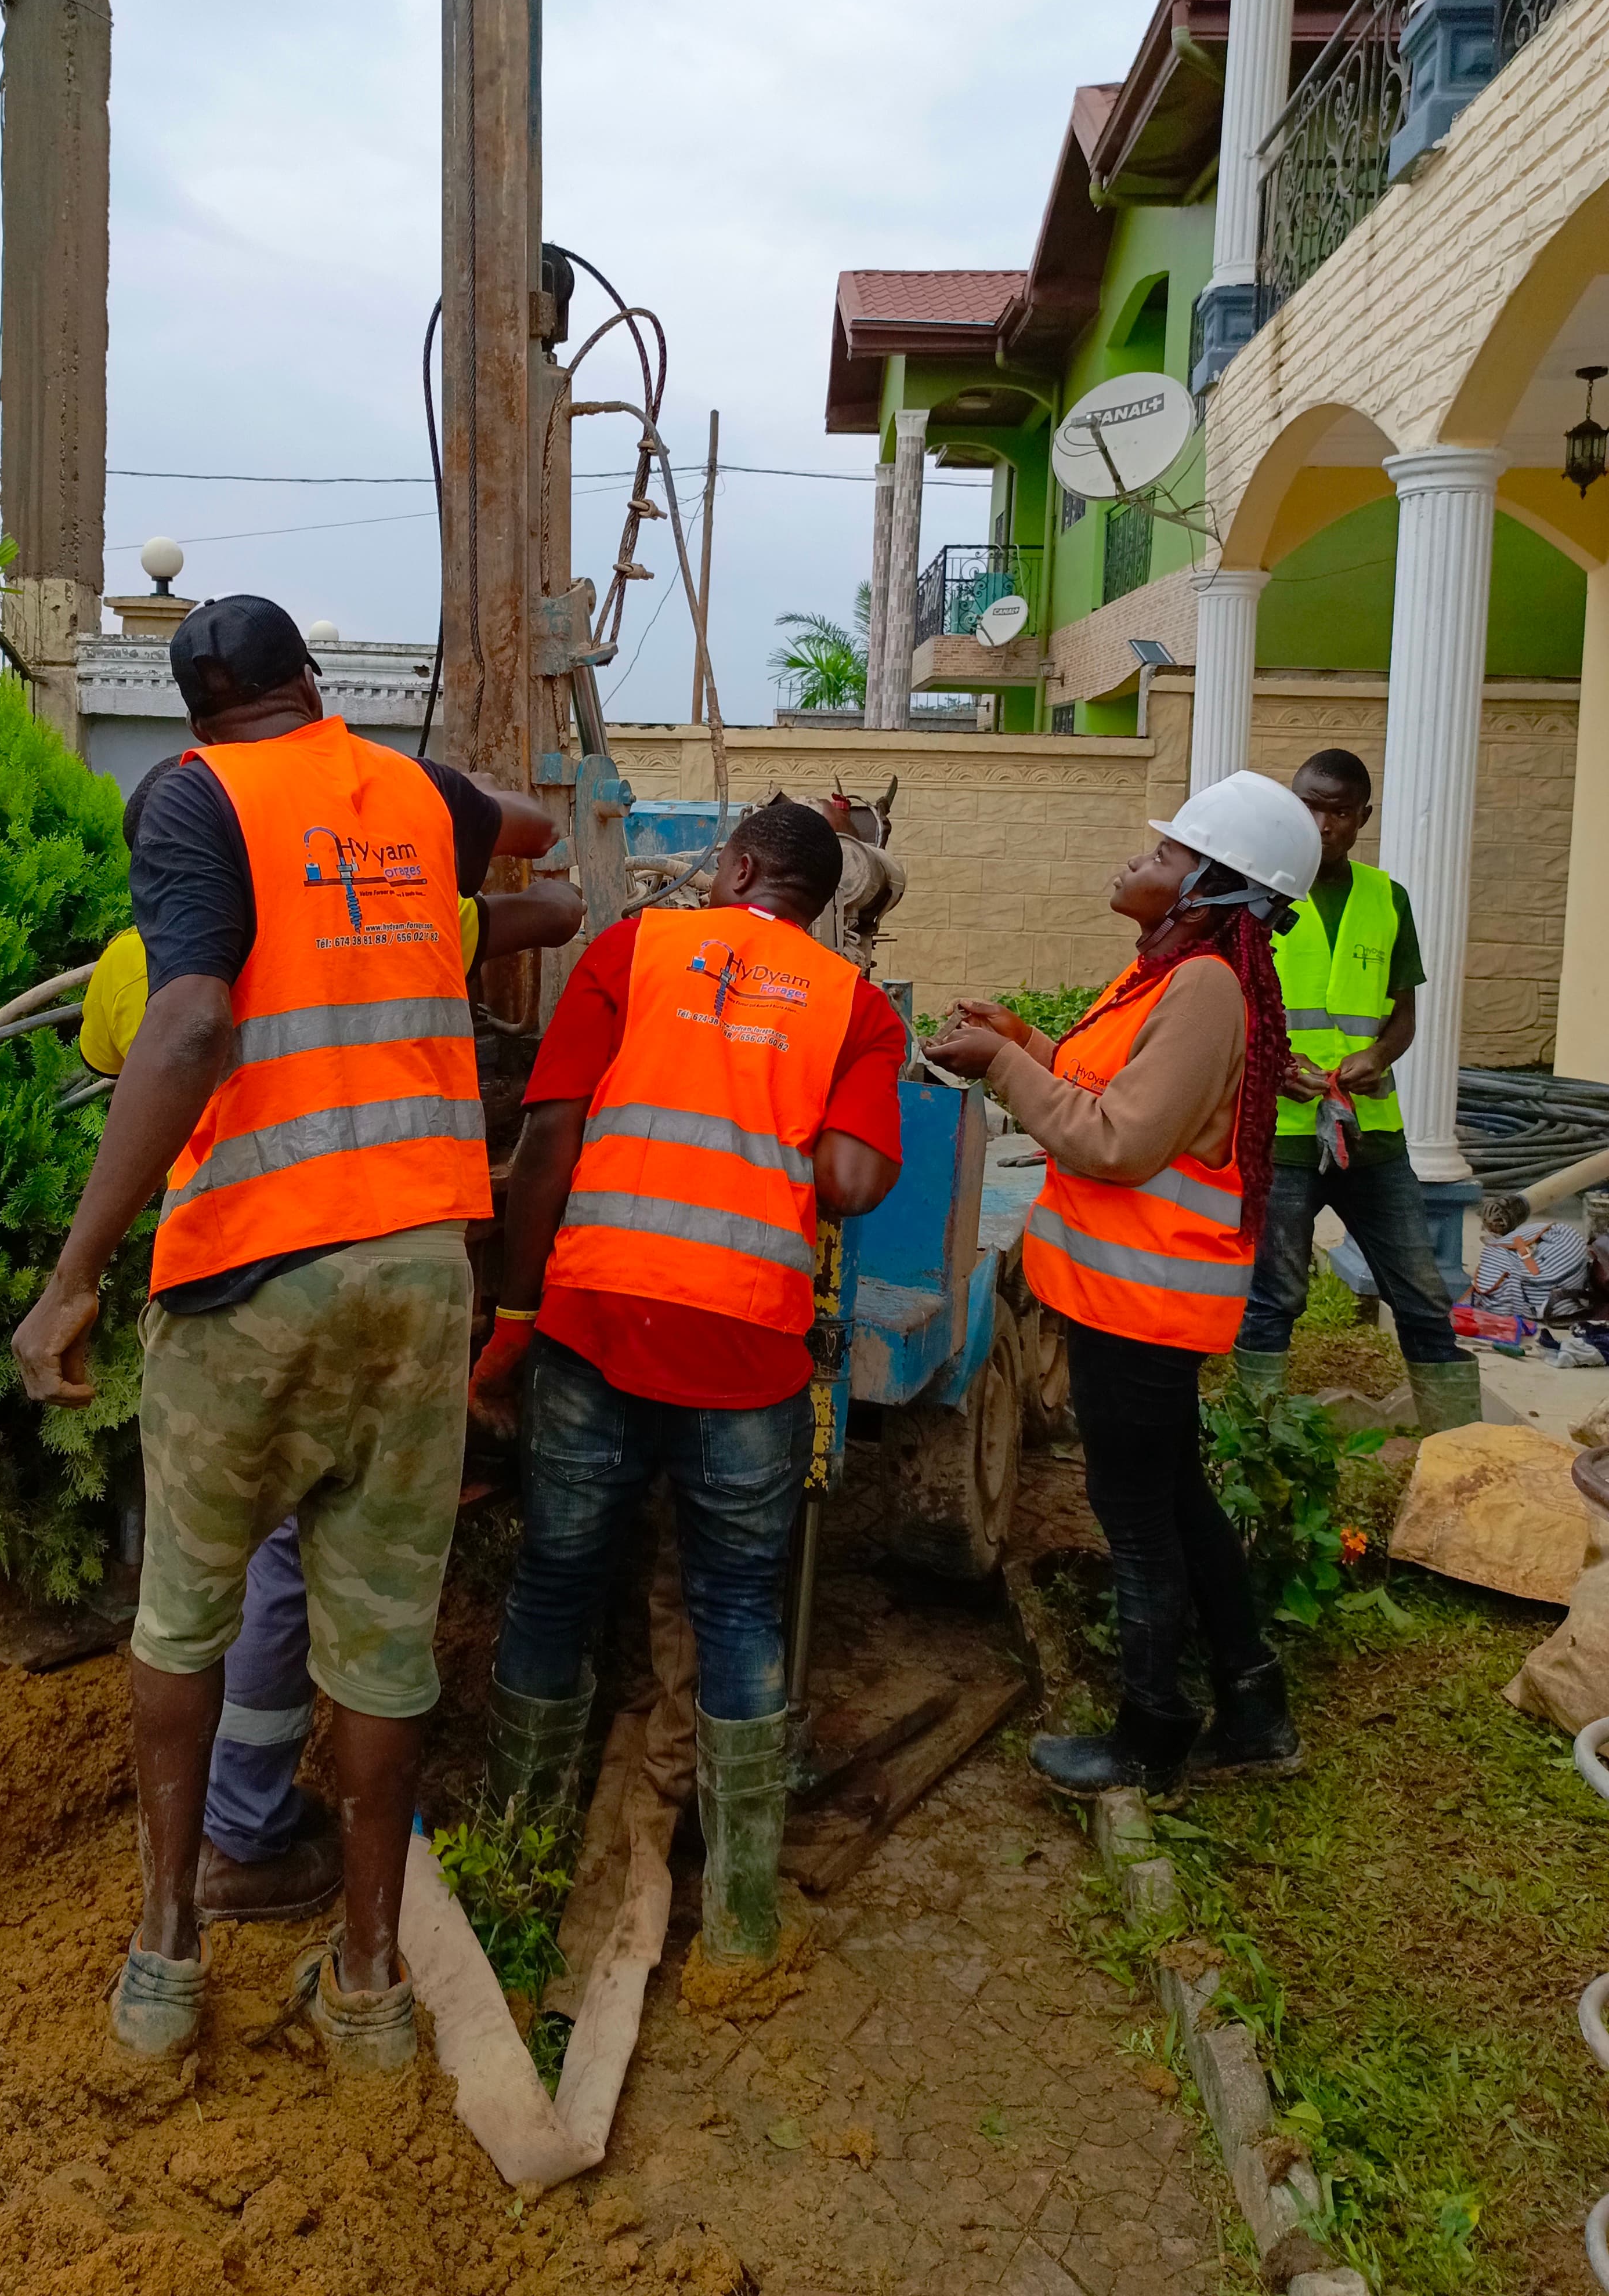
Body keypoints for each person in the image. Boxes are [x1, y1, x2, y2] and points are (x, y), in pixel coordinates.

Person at [12, 593, 558, 2068]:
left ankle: (165, 1965)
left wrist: (74, 1273)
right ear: (312, 683)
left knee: (183, 1613)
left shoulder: (191, 802)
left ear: (194, 711)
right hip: (422, 1274)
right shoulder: (407, 791)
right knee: (384, 1646)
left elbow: (186, 1025)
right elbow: (529, 836)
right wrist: (470, 811)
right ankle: (371, 1986)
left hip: (253, 1278)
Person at [73, 765, 582, 1930]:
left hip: (238, 1307)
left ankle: (223, 1850)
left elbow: (134, 1056)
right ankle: (364, 1945)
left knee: (222, 1589)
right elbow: (547, 901)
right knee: (360, 1609)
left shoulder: (132, 970)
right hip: (400, 1299)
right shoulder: (399, 918)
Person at [468, 798, 905, 1965]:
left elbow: (546, 1147)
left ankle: (507, 1865)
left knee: (558, 1581)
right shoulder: (856, 1010)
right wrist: (776, 1115)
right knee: (735, 1609)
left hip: (596, 1324)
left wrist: (514, 1319)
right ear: (821, 900)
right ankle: (745, 1922)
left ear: (740, 865)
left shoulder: (631, 951)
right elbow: (857, 1181)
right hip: (747, 1351)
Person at [926, 770, 1322, 1798]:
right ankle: (1254, 1706)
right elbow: (1108, 1085)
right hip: (1127, 1302)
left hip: (1143, 1310)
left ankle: (1151, 1736)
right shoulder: (1169, 972)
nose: (1136, 860)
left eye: (1163, 854)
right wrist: (1023, 1039)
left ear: (1211, 889)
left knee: (1137, 1513)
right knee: (1178, 1497)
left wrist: (1002, 1071)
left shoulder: (1203, 989)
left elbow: (1114, 1140)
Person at [1235, 748, 1481, 1433]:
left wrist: (1379, 1052)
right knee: (1273, 1297)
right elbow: (1229, 1003)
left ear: (1361, 818)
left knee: (1425, 1296)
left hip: (1372, 1133)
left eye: (1337, 811)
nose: (1320, 824)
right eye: (1308, 806)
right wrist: (1274, 1061)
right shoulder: (1257, 893)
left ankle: (1455, 1451)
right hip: (1283, 1133)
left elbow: (1402, 1011)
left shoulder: (1386, 897)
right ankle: (1258, 1448)